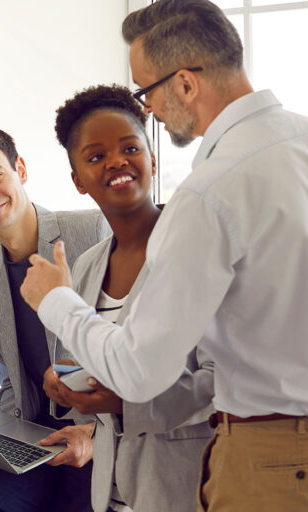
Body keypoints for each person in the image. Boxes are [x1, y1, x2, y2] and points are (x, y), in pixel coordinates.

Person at [20, 1, 308, 510]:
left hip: (279, 462)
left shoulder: (208, 194)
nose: (149, 111)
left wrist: (56, 301)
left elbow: (141, 371)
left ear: (185, 84)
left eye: (147, 92)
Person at [42, 85, 214, 512]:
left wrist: (128, 401)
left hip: (187, 489)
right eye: (96, 157)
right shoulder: (85, 267)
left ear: (152, 159)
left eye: (130, 147)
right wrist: (63, 386)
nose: (116, 161)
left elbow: (220, 382)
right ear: (78, 180)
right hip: (111, 494)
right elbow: (86, 363)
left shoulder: (195, 251)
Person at [0, 120, 105, 512]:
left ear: (21, 170)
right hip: (37, 441)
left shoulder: (91, 231)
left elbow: (136, 357)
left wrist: (97, 438)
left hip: (102, 435)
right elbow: (12, 382)